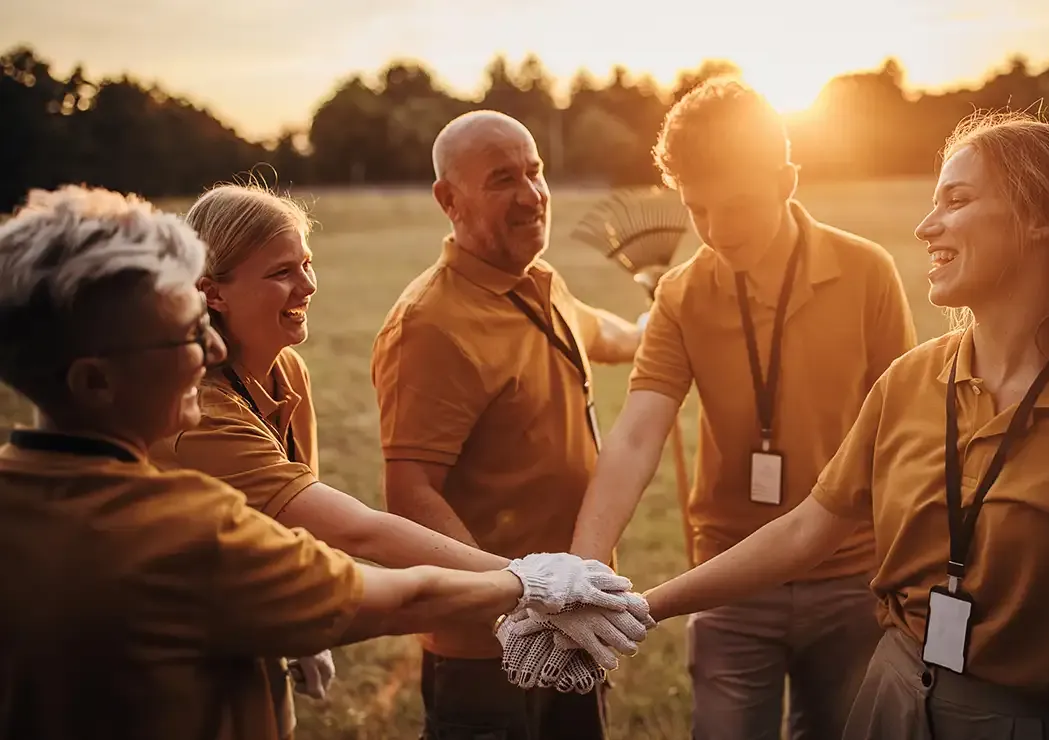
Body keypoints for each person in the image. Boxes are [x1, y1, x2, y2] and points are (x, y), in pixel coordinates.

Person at [636, 112, 1049, 740]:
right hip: (891, 699)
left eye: (956, 201)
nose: (925, 226)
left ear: (1042, 219)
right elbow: (804, 531)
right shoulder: (908, 382)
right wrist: (640, 606)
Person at [0, 185, 637, 740]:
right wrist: (533, 584)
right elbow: (391, 592)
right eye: (183, 336)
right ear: (94, 383)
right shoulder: (190, 530)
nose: (209, 349)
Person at [568, 77, 917, 739]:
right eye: (698, 209)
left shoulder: (867, 271)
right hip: (726, 577)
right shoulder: (681, 293)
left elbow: (908, 437)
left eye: (738, 206)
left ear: (787, 179)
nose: (717, 231)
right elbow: (638, 433)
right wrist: (584, 568)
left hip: (853, 576)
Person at [370, 109, 645, 740]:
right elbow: (411, 494)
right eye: (502, 180)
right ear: (449, 199)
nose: (531, 195)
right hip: (489, 645)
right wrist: (518, 595)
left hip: (576, 610)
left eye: (535, 171)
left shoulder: (538, 279)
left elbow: (595, 329)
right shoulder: (430, 325)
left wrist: (653, 331)